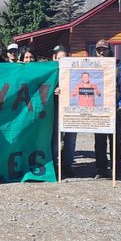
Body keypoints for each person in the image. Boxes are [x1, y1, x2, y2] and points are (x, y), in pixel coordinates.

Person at [93, 39, 121, 179]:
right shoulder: (90, 66)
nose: (101, 52)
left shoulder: (120, 66)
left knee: (115, 140)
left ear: (109, 50)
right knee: (99, 141)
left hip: (116, 109)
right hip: (98, 110)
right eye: (99, 50)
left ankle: (116, 168)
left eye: (104, 49)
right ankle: (101, 169)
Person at [51, 45, 76, 179]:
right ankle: (54, 166)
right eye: (60, 59)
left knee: (71, 138)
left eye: (65, 59)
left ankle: (67, 166)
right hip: (56, 107)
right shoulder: (50, 71)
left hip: (72, 109)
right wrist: (53, 91)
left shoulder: (75, 70)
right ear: (54, 58)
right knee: (56, 138)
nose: (62, 61)